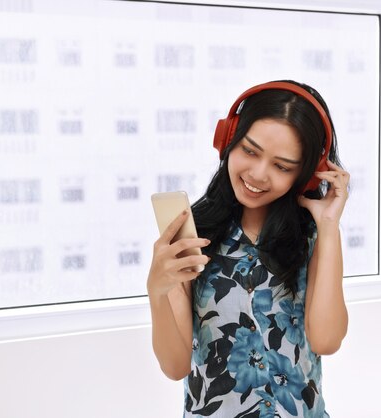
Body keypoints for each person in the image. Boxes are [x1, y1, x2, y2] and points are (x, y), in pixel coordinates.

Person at [147, 80, 349, 418]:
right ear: (228, 140)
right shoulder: (193, 233)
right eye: (250, 151)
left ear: (307, 175)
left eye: (282, 166)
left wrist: (329, 229)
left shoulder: (314, 235)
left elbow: (326, 340)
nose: (258, 174)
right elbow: (174, 365)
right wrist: (157, 291)